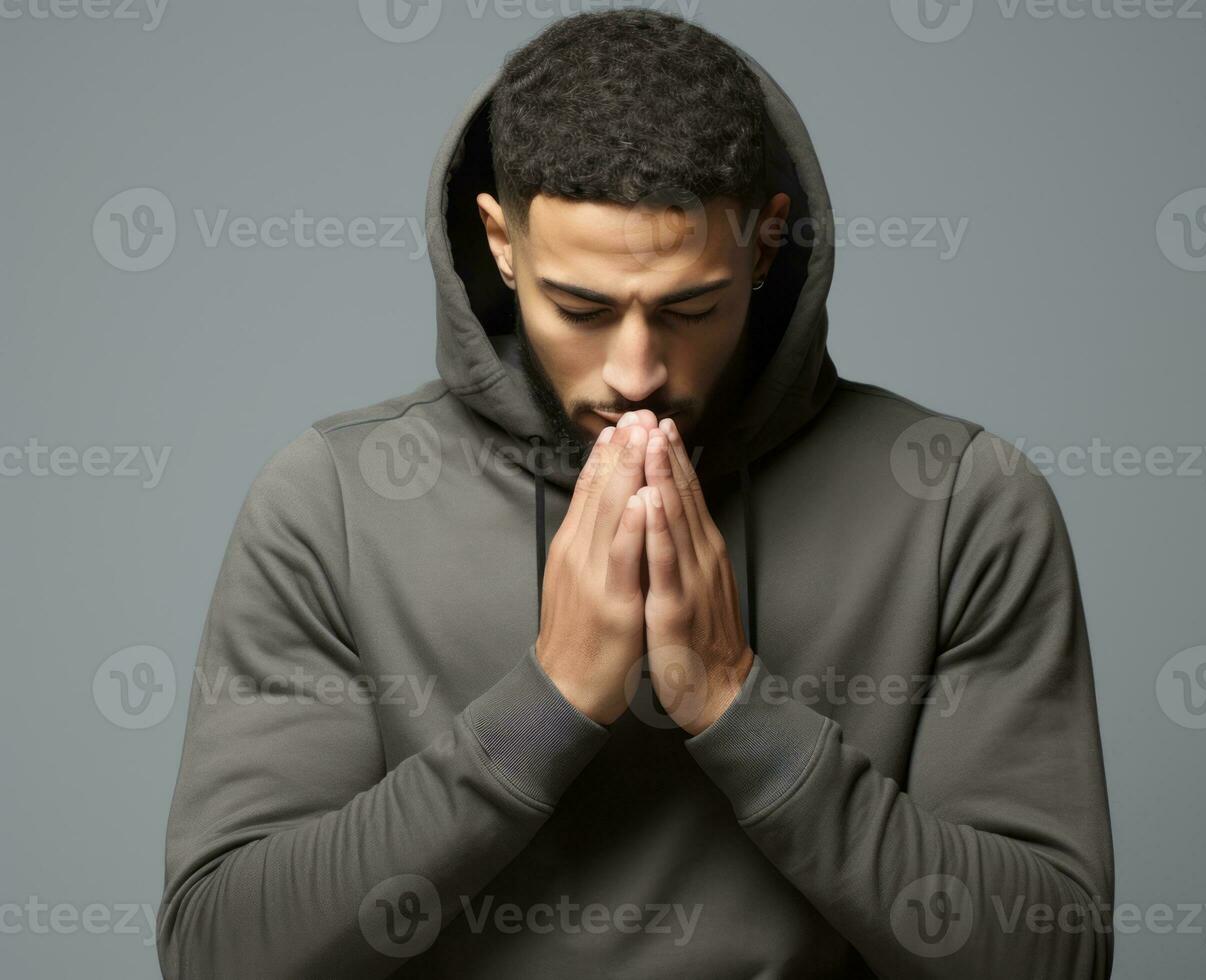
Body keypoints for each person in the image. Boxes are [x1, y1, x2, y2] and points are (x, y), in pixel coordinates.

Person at [159, 9, 1113, 978]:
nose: (635, 370)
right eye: (579, 308)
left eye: (689, 308)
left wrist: (739, 708)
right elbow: (221, 954)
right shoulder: (329, 504)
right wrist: (546, 704)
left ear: (765, 241)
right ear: (500, 242)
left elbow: (1050, 957)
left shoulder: (960, 505)